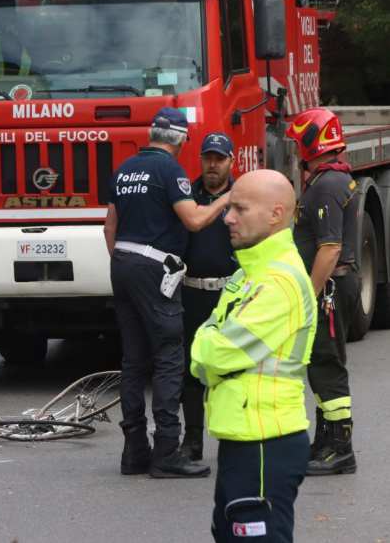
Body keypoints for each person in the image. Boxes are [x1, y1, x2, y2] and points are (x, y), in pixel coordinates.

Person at [103, 107, 231, 478]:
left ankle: (134, 452)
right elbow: (193, 219)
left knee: (133, 359)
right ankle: (166, 452)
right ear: (181, 140)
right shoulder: (169, 170)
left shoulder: (125, 169)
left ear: (152, 133)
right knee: (170, 354)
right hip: (153, 267)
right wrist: (223, 200)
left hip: (122, 263)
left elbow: (109, 227)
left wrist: (126, 264)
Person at [191, 169, 317, 543]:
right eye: (229, 208)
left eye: (239, 209)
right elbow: (205, 347)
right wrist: (207, 343)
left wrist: (207, 343)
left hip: (265, 440)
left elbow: (211, 353)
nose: (227, 218)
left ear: (276, 214)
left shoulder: (278, 283)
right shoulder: (249, 273)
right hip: (245, 436)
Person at [286, 107, 359, 475]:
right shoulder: (330, 181)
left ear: (313, 139)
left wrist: (309, 295)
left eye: (300, 140)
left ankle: (340, 448)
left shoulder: (327, 186)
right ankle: (326, 440)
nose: (297, 147)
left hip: (327, 288)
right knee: (319, 365)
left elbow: (329, 248)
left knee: (327, 366)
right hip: (332, 286)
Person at [180, 132, 237, 461]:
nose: (212, 165)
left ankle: (232, 441)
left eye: (219, 158)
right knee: (191, 370)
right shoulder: (186, 195)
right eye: (208, 158)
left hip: (230, 295)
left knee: (231, 370)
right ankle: (192, 441)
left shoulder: (243, 195)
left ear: (231, 161)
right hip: (193, 293)